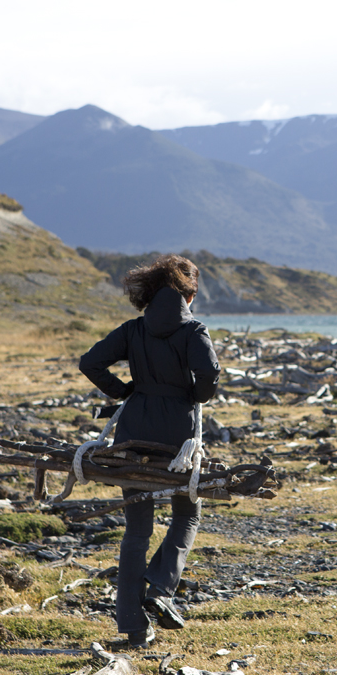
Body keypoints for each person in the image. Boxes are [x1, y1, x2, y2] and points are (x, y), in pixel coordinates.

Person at [78, 254, 220, 648]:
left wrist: (124, 391)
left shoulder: (132, 330)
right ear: (189, 294)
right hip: (178, 437)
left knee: (136, 530)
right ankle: (159, 588)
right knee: (187, 514)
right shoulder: (194, 331)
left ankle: (133, 628)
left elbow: (90, 362)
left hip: (133, 432)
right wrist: (194, 396)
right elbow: (209, 375)